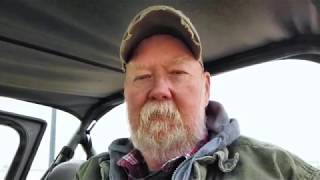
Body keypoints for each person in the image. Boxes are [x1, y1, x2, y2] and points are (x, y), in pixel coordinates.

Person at [75, 5, 320, 180]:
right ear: (127, 92)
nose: (160, 90)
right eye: (142, 77)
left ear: (205, 89)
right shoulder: (91, 174)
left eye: (178, 73)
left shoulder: (280, 172)